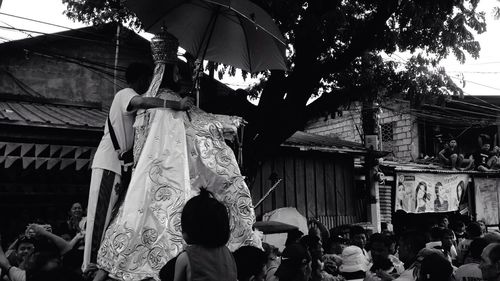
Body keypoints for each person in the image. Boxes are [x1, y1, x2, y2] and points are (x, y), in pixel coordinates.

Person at [96, 30, 259, 281]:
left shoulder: (157, 103)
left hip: (148, 173)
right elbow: (198, 127)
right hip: (172, 165)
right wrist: (227, 122)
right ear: (172, 73)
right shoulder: (170, 101)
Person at [83, 61, 193, 273]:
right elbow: (143, 101)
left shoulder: (135, 103)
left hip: (120, 165)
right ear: (139, 78)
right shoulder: (126, 94)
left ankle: (98, 261)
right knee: (100, 213)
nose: (150, 82)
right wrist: (177, 105)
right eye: (148, 78)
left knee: (110, 215)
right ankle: (89, 265)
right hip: (109, 162)